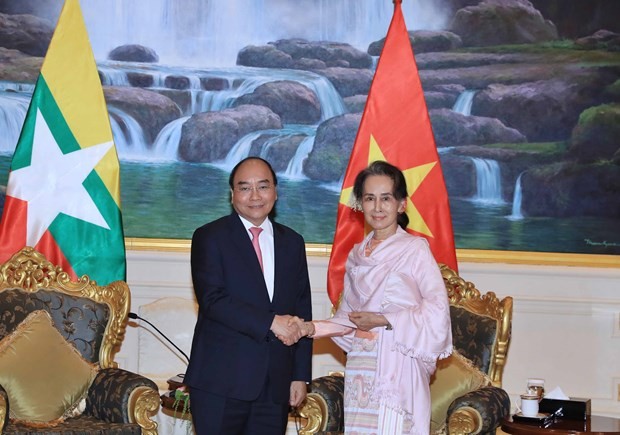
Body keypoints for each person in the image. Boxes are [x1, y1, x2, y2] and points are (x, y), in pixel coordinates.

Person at [296, 160, 452, 434]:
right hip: (361, 366)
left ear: (401, 204)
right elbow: (349, 320)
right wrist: (310, 328)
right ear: (359, 204)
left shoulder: (415, 249)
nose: (378, 207)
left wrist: (383, 319)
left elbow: (438, 310)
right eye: (369, 198)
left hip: (399, 362)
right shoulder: (356, 255)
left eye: (386, 198)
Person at [184, 157, 312, 434]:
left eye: (263, 186)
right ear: (232, 196)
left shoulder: (293, 242)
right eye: (245, 188)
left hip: (275, 384)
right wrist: (270, 322)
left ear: (276, 192)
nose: (255, 196)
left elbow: (302, 309)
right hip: (220, 382)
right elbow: (213, 300)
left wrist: (300, 375)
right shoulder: (209, 237)